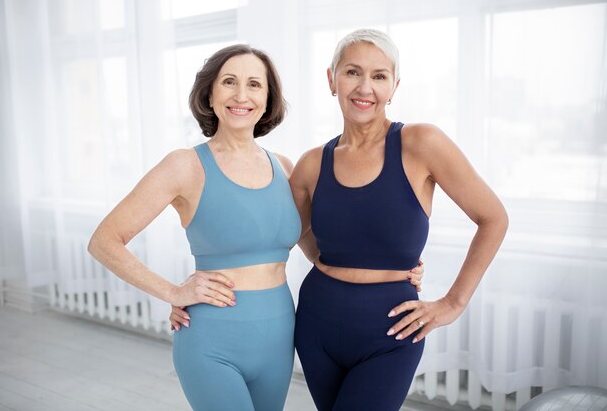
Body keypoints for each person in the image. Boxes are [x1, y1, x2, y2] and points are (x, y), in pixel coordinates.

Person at [289, 28, 509, 411]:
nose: (364, 87)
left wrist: (454, 303)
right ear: (332, 79)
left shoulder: (421, 144)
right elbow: (292, 232)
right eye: (352, 72)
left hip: (391, 331)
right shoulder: (311, 164)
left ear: (394, 86)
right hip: (316, 323)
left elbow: (493, 218)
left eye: (379, 76)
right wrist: (322, 260)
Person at [88, 44, 301, 411]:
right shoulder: (185, 165)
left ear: (268, 100)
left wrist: (397, 266)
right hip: (212, 343)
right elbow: (104, 241)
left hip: (280, 338)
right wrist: (172, 292)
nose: (240, 95)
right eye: (229, 82)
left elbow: (319, 243)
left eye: (254, 85)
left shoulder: (284, 167)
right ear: (211, 93)